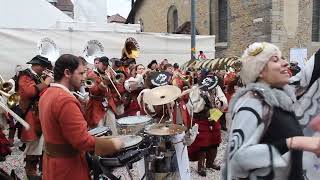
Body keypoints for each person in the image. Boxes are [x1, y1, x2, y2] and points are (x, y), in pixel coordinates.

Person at [223, 42, 320, 180]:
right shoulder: (252, 101)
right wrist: (293, 142)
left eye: (283, 58)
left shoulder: (283, 97)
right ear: (260, 70)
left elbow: (306, 78)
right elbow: (238, 159)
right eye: (276, 59)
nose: (286, 63)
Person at [39, 54, 123, 180]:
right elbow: (83, 142)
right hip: (68, 169)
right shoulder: (65, 100)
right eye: (81, 73)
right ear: (67, 73)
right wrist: (114, 144)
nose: (84, 77)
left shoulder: (47, 93)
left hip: (51, 164)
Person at [15, 55, 53, 179]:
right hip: (30, 114)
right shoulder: (25, 75)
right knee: (33, 143)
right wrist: (46, 83)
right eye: (43, 67)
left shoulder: (37, 76)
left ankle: (40, 168)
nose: (44, 69)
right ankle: (30, 170)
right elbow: (29, 92)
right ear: (36, 65)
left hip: (39, 113)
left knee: (41, 143)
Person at [187, 72, 228, 176]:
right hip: (201, 119)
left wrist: (220, 103)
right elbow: (193, 106)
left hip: (215, 117)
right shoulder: (196, 88)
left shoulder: (216, 87)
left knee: (215, 141)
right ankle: (201, 166)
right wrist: (203, 101)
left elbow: (223, 99)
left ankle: (210, 163)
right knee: (202, 143)